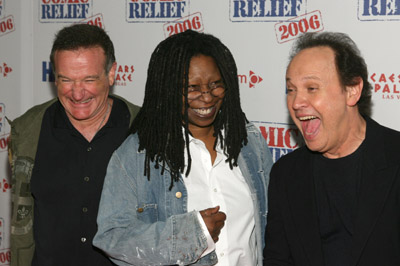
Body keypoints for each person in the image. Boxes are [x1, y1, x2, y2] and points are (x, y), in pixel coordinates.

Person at [93, 30, 273, 266]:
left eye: (215, 84)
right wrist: (188, 235)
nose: (207, 98)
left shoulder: (249, 142)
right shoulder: (137, 155)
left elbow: (272, 228)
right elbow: (112, 239)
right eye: (192, 88)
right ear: (167, 90)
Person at [263, 31, 400, 266]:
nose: (296, 103)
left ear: (352, 90)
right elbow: (278, 259)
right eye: (291, 89)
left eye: (312, 88)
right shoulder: (285, 174)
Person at [8, 24, 140, 266]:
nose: (77, 94)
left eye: (89, 79)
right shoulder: (28, 131)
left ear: (112, 73)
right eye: (66, 80)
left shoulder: (144, 129)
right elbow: (22, 225)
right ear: (54, 77)